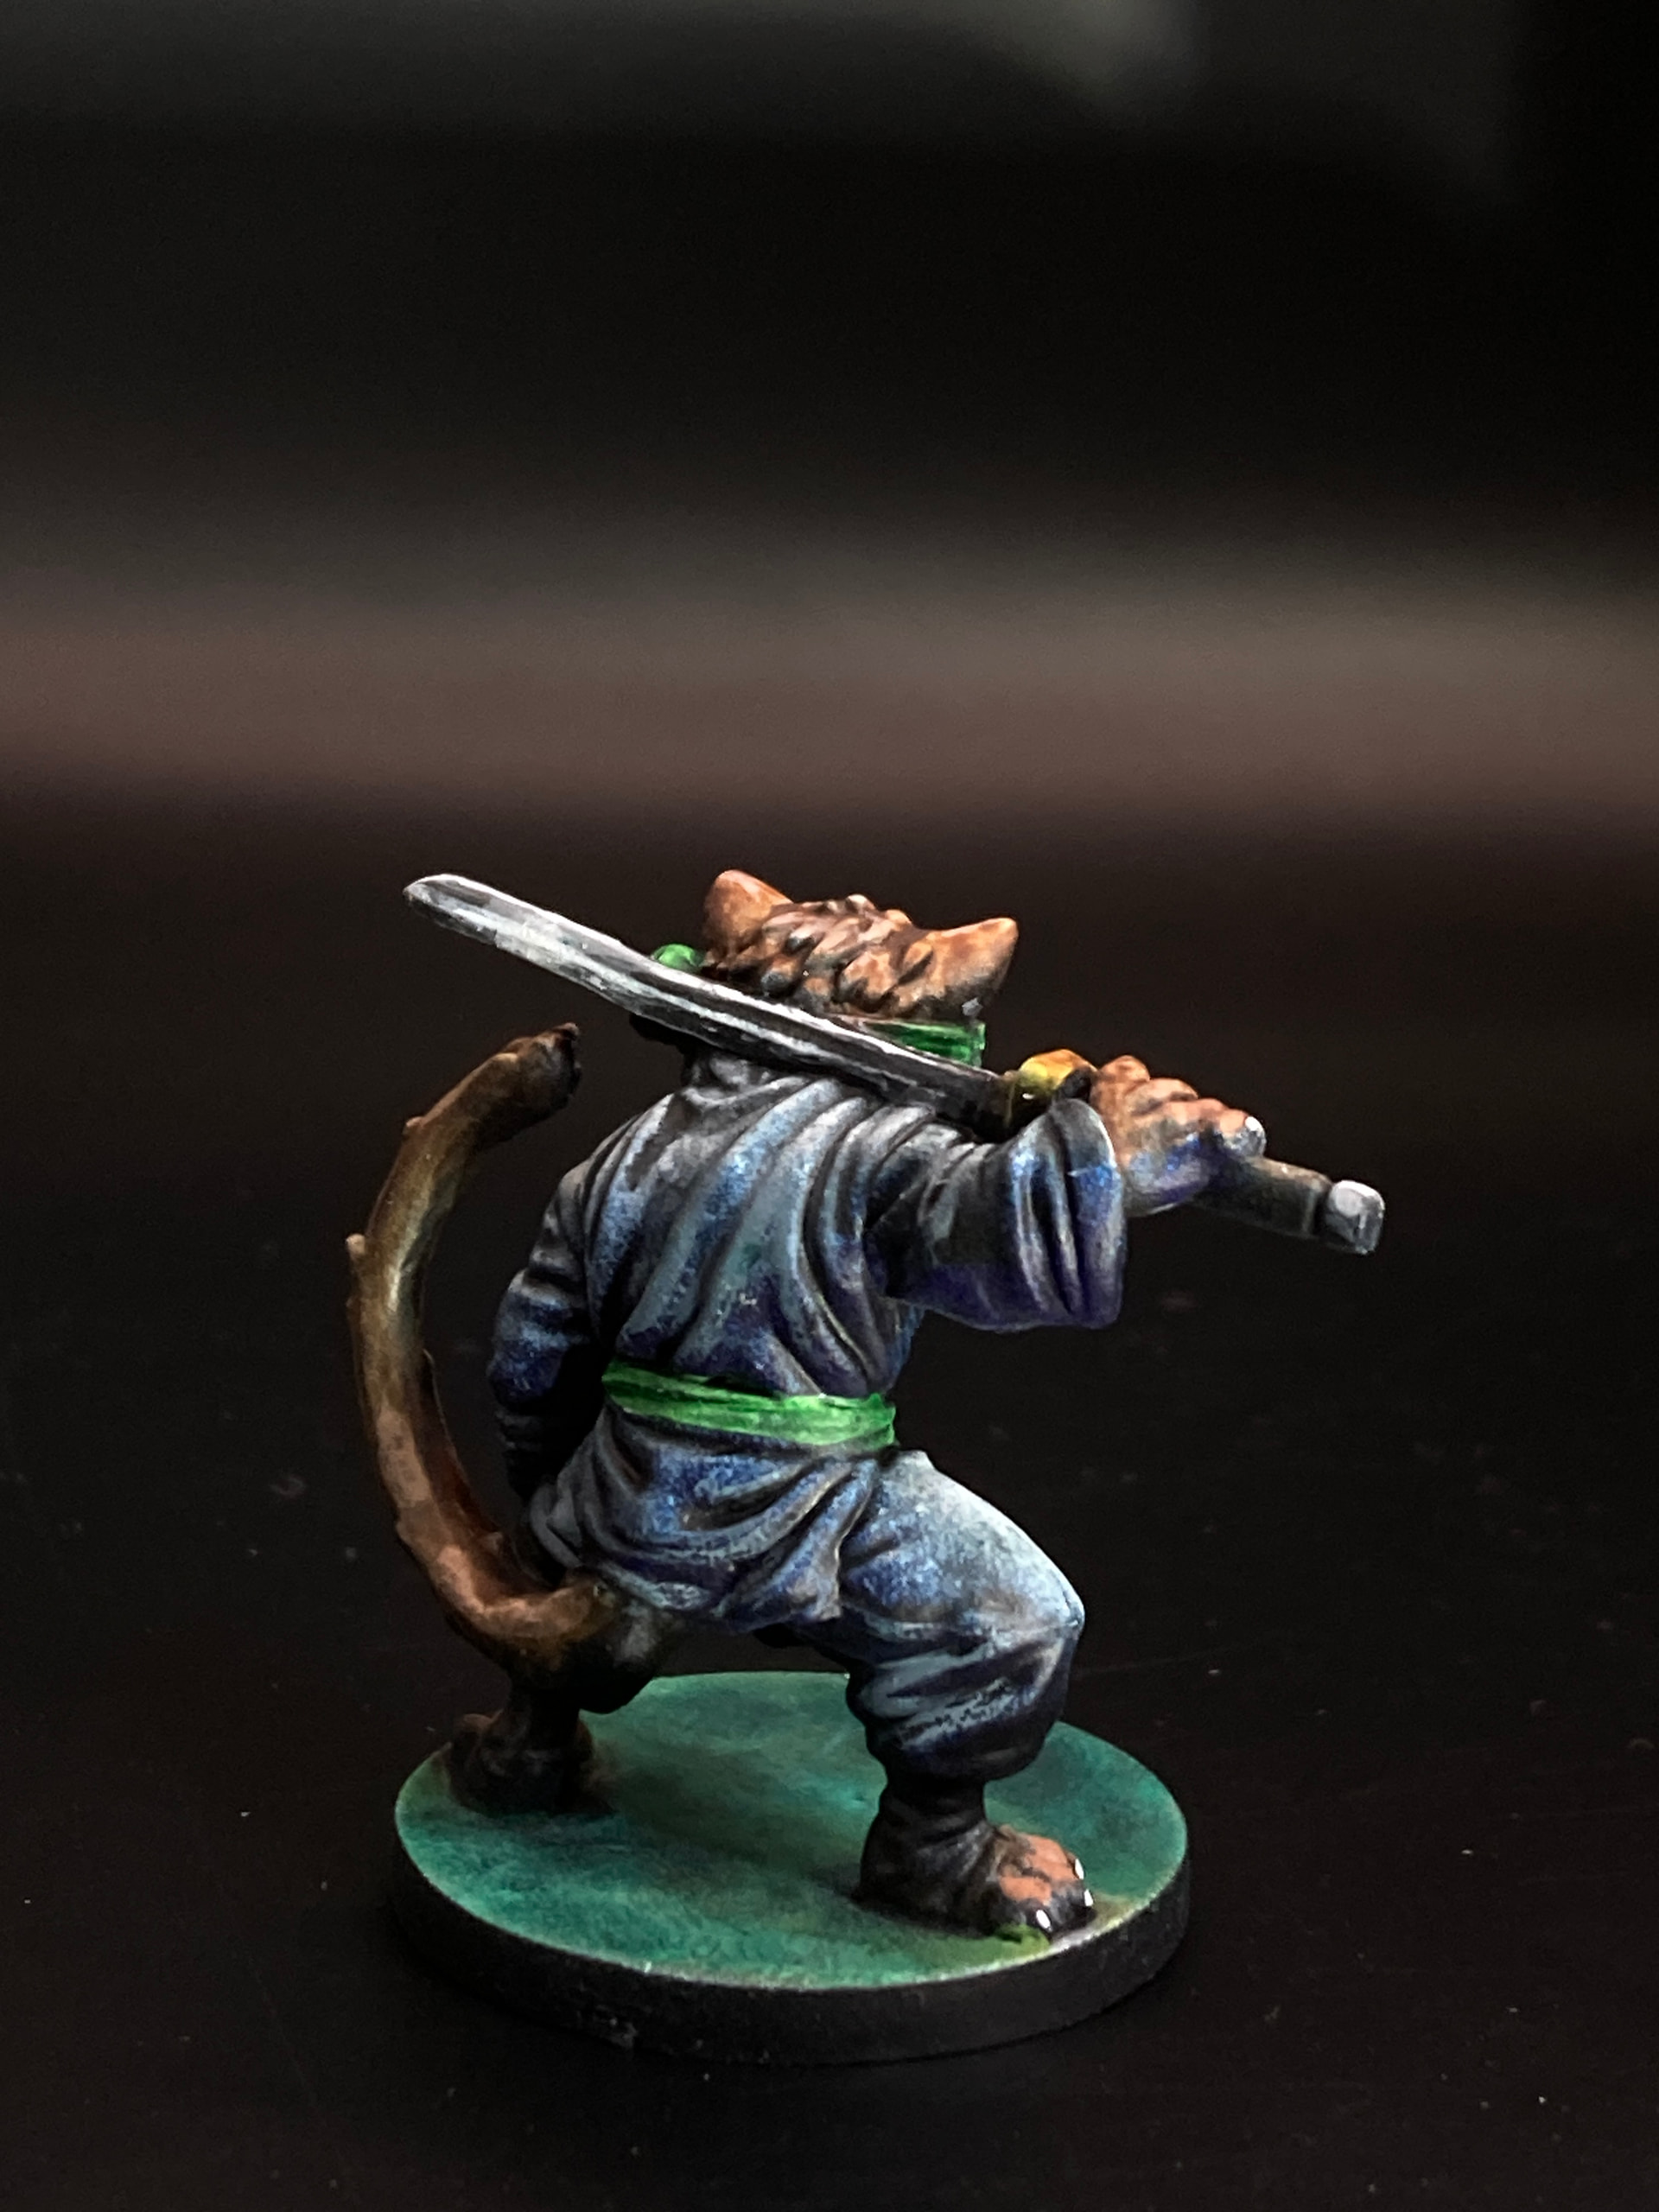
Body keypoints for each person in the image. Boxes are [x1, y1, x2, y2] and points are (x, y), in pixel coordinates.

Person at [464, 869, 1252, 1936]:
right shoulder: (887, 1151)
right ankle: (933, 1848)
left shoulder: (622, 1157)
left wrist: (558, 1485)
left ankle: (531, 1739)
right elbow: (977, 1227)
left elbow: (533, 1351)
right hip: (814, 1501)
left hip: (627, 1495)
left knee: (571, 1591)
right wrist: (1103, 1160)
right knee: (1014, 1621)